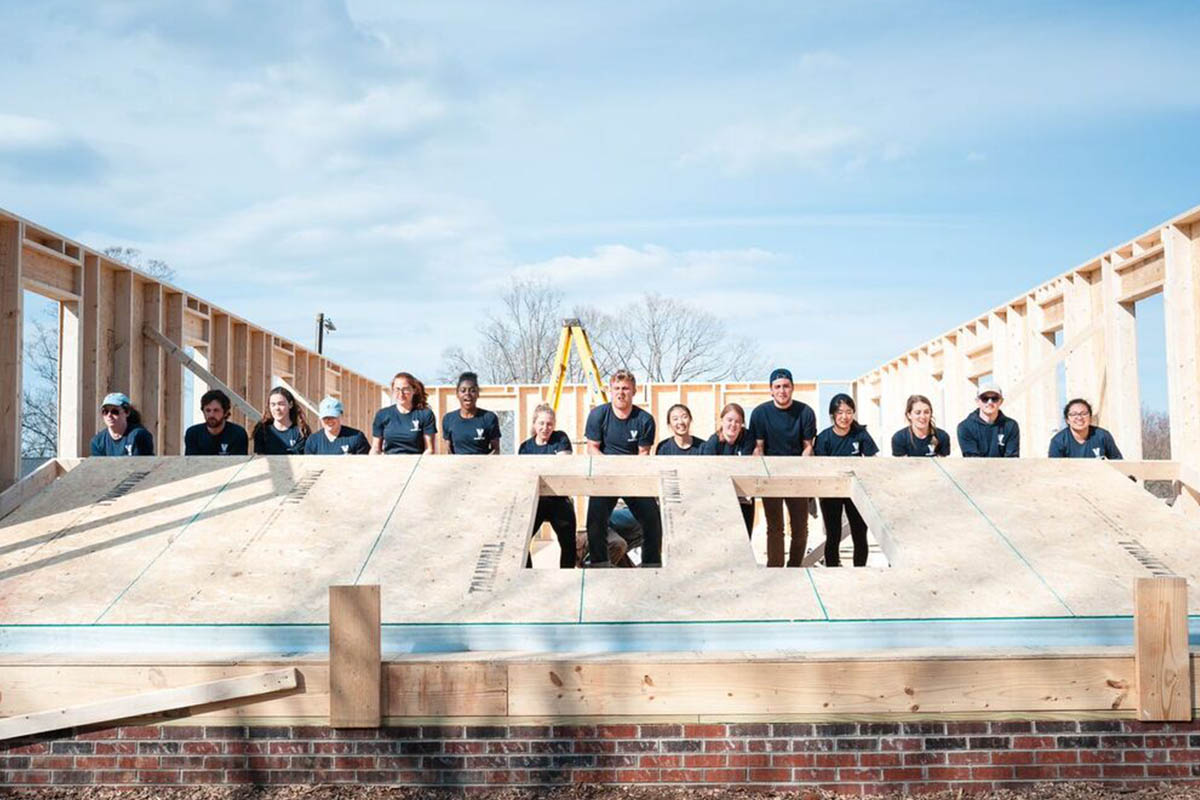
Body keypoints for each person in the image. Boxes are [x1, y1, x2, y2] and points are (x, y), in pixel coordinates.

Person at [584, 370, 662, 567]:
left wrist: (627, 473)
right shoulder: (598, 415)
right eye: (617, 388)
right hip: (605, 475)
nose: (621, 392)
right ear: (610, 390)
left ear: (634, 391)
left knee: (652, 517)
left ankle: (651, 564)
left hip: (633, 475)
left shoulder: (644, 420)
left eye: (626, 388)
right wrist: (610, 469)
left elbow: (643, 453)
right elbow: (592, 448)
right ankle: (599, 563)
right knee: (595, 519)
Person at [749, 368, 816, 567]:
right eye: (777, 387)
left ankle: (795, 567)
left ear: (792, 388)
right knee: (775, 528)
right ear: (771, 390)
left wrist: (801, 471)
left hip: (797, 477)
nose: (782, 391)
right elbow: (758, 448)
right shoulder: (760, 413)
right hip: (771, 477)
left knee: (800, 528)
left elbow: (808, 447)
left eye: (786, 386)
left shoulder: (805, 412)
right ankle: (775, 569)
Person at [813, 393, 878, 567]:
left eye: (849, 412)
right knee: (833, 534)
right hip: (830, 492)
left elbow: (873, 461)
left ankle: (860, 570)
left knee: (860, 532)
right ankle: (833, 569)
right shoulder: (823, 438)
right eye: (840, 412)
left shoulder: (861, 434)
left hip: (856, 491)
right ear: (832, 415)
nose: (844, 417)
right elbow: (820, 467)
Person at [518, 403, 576, 568]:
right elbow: (525, 476)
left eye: (549, 424)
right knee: (521, 539)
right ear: (534, 424)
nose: (545, 427)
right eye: (541, 423)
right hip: (537, 500)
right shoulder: (525, 447)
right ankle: (527, 576)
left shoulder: (561, 438)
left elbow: (563, 466)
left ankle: (567, 577)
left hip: (559, 498)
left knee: (568, 544)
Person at [701, 402, 757, 535]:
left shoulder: (748, 438)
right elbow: (709, 473)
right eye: (729, 420)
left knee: (745, 537)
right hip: (721, 497)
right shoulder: (713, 443)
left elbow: (748, 466)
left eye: (738, 421)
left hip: (744, 497)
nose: (733, 425)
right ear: (722, 420)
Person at [371, 372, 437, 455]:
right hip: (390, 464)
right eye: (397, 389)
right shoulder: (382, 414)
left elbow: (429, 449)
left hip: (416, 464)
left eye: (405, 389)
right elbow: (375, 448)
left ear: (414, 390)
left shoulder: (425, 414)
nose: (401, 394)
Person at [442, 372, 501, 455]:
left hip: (483, 466)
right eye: (463, 391)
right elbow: (448, 450)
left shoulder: (489, 418)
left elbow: (496, 449)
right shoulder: (448, 419)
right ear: (457, 394)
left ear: (478, 394)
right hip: (458, 466)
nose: (467, 394)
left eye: (472, 391)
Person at [957, 383, 1020, 458]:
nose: (990, 402)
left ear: (1001, 401)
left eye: (994, 398)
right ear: (977, 401)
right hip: (976, 469)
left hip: (1005, 469)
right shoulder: (965, 427)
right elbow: (972, 460)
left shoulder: (1011, 426)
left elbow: (1012, 458)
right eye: (985, 398)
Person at [1048, 398, 1123, 459]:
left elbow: (1118, 462)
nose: (1079, 418)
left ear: (1090, 417)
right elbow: (1055, 471)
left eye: (1084, 413)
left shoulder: (1102, 436)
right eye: (1074, 414)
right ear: (1067, 420)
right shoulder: (1058, 441)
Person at [184, 389, 249, 456]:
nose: (211, 415)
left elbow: (240, 464)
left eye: (216, 410)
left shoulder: (238, 434)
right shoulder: (193, 434)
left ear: (226, 412)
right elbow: (191, 463)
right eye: (208, 410)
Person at [90, 392, 154, 456]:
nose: (109, 415)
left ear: (127, 412)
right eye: (105, 412)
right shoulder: (97, 442)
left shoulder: (139, 435)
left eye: (114, 412)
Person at [252, 386, 310, 455]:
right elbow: (260, 459)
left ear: (290, 404)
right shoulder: (262, 431)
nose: (277, 408)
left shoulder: (301, 432)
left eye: (281, 404)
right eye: (273, 404)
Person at [304, 397, 370, 455]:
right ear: (320, 418)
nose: (329, 420)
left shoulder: (356, 437)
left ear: (341, 416)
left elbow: (366, 464)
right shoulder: (313, 441)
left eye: (333, 416)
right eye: (325, 417)